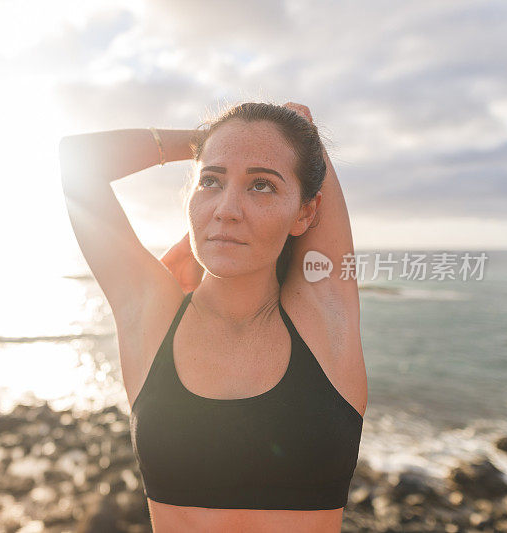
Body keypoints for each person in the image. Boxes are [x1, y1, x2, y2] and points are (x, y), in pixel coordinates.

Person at [59, 101, 368, 532]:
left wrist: (284, 131)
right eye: (211, 180)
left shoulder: (324, 320)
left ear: (305, 213)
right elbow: (77, 160)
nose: (227, 208)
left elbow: (304, 134)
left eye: (261, 186)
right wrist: (203, 141)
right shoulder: (152, 316)